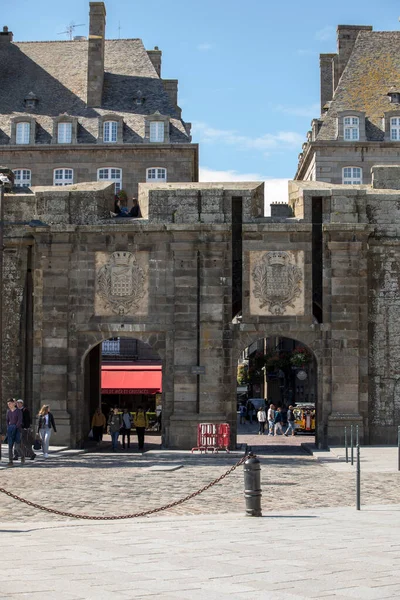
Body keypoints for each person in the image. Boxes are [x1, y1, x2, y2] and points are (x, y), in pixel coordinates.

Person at [5, 398, 22, 467]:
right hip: (10, 430)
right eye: (8, 404)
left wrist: (15, 427)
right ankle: (10, 461)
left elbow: (20, 420)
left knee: (17, 447)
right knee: (10, 446)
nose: (9, 405)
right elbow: (7, 420)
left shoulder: (18, 411)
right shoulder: (8, 412)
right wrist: (9, 427)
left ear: (13, 403)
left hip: (17, 430)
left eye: (10, 403)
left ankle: (22, 455)